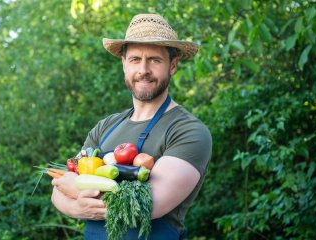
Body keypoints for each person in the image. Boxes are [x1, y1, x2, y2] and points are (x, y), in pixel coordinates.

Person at [51, 13, 212, 239]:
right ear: (124, 64)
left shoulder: (188, 131)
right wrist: (77, 208)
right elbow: (58, 191)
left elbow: (147, 204)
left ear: (173, 65)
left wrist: (75, 187)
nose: (143, 70)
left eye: (154, 60)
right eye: (135, 59)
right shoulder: (106, 126)